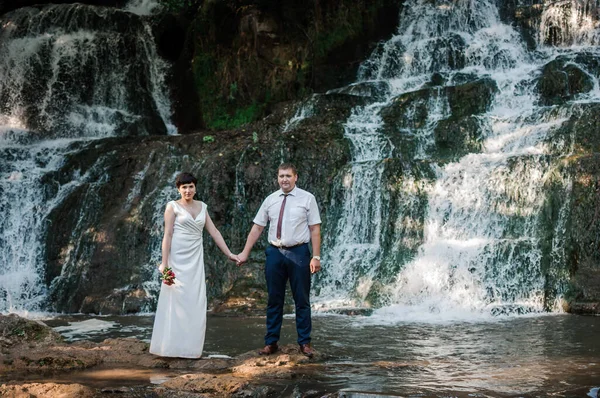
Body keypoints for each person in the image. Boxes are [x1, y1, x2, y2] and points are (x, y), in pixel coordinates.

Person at [150, 172, 238, 358]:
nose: (188, 190)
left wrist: (229, 253)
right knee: (176, 300)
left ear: (195, 188)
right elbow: (168, 235)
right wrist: (164, 264)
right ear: (178, 189)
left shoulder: (202, 207)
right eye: (184, 187)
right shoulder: (172, 207)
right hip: (177, 259)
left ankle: (190, 350)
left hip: (195, 259)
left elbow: (214, 232)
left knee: (194, 301)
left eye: (190, 186)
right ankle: (170, 348)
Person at [237, 163, 321, 358]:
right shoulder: (270, 200)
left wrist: (316, 256)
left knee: (302, 299)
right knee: (274, 299)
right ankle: (271, 342)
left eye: (288, 176)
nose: (284, 179)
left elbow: (315, 229)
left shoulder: (307, 198)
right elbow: (257, 228)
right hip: (275, 252)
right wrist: (245, 253)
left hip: (299, 253)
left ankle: (305, 343)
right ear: (277, 178)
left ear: (295, 177)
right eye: (281, 176)